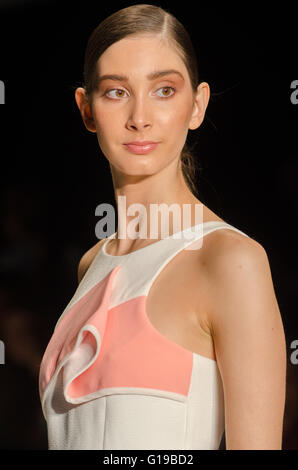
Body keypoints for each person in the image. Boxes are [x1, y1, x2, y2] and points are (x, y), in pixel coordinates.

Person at [38, 4, 287, 450]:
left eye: (164, 90)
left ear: (197, 104)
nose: (140, 117)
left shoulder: (230, 261)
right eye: (116, 92)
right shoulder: (91, 264)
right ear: (86, 109)